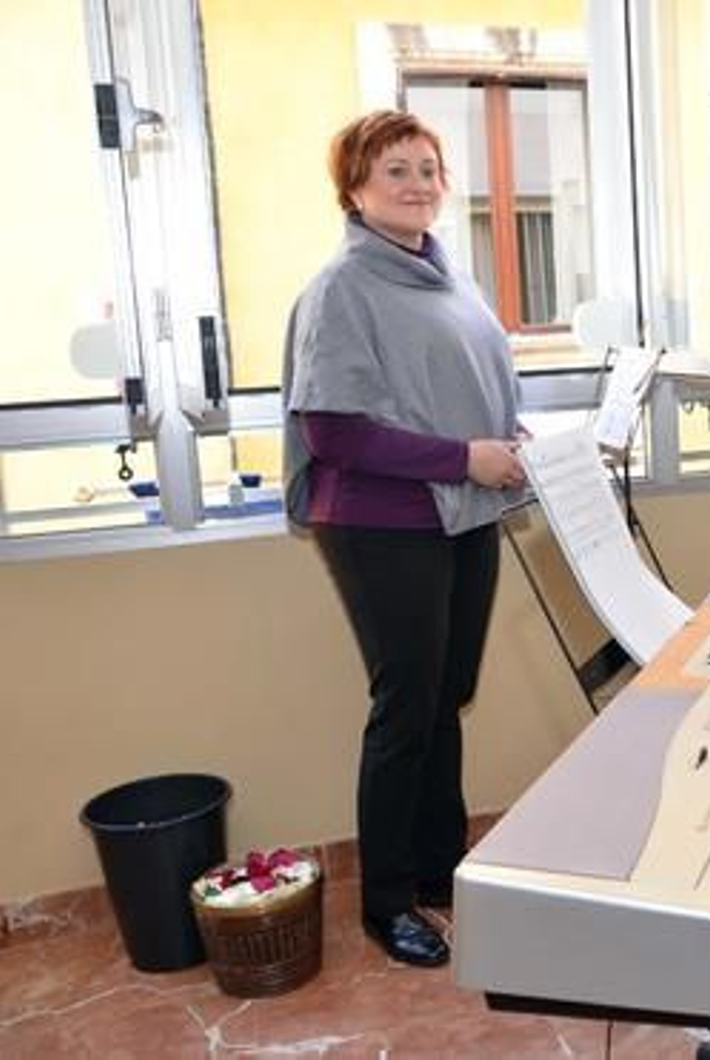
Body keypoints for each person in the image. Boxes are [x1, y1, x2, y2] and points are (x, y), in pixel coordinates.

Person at [282, 110, 528, 968]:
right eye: (396, 170)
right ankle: (387, 903)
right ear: (354, 188)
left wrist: (506, 443)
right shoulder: (344, 288)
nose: (419, 183)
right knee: (405, 709)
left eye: (428, 168)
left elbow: (462, 387)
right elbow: (333, 432)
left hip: (464, 512)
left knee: (445, 694)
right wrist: (465, 457)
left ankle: (438, 867)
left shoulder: (444, 275)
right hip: (382, 522)